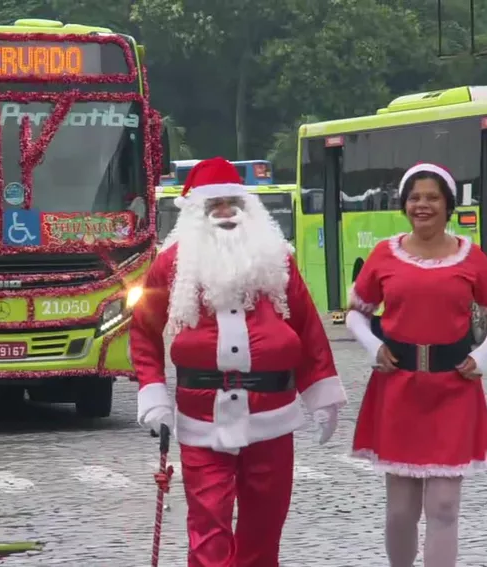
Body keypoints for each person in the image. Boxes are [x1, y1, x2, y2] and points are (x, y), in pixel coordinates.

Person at [130, 157, 347, 567]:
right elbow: (143, 329)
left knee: (264, 530)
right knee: (208, 534)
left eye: (233, 203)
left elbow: (308, 330)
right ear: (198, 214)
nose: (226, 213)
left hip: (273, 417)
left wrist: (321, 395)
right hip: (201, 417)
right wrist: (153, 391)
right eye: (216, 206)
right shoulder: (171, 265)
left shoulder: (277, 262)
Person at [344, 162, 487, 567]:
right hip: (398, 388)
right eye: (415, 198)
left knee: (443, 507)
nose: (423, 205)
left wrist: (481, 355)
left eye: (432, 198)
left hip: (454, 389)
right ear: (404, 204)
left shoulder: (471, 258)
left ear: (448, 205)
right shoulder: (386, 254)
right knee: (401, 509)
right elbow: (355, 312)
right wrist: (373, 346)